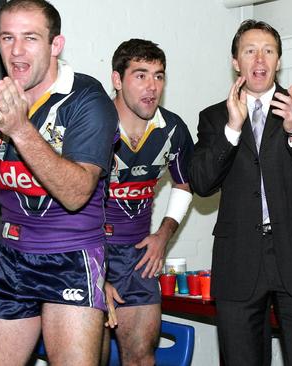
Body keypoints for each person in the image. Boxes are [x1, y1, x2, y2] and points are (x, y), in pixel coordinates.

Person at [0, 0, 118, 364]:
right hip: (12, 257)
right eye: (8, 37)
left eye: (30, 38)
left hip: (71, 254)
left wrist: (20, 130)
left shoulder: (87, 100)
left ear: (54, 45)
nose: (16, 50)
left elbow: (76, 194)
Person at [189, 19, 292, 366]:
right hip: (238, 259)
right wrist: (231, 129)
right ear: (235, 62)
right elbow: (201, 182)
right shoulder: (214, 117)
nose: (260, 59)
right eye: (250, 51)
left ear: (279, 60)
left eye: (268, 51)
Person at [102, 38, 193, 365]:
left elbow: (184, 185)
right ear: (117, 80)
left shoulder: (172, 128)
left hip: (138, 258)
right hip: (86, 254)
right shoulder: (92, 124)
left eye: (159, 75)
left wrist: (162, 236)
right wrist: (96, 271)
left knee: (141, 356)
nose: (152, 86)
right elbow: (64, 200)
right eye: (140, 75)